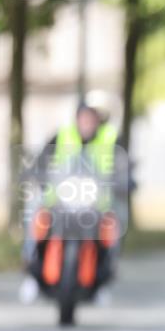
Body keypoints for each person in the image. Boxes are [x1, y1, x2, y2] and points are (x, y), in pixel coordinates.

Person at [19, 93, 122, 304]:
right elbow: (42, 160)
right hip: (60, 199)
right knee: (35, 214)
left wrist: (125, 179)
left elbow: (123, 164)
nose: (87, 122)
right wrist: (34, 173)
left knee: (114, 221)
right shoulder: (62, 135)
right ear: (77, 117)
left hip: (95, 203)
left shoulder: (109, 138)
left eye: (92, 118)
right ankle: (30, 268)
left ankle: (104, 275)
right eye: (84, 117)